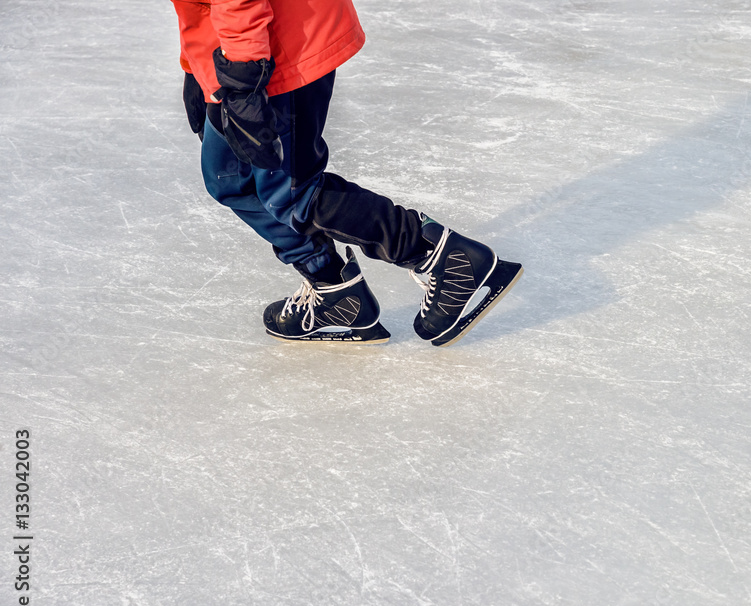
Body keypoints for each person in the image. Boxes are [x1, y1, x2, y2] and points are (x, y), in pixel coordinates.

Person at [169, 0, 522, 347]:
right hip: (230, 51)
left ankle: (446, 258)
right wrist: (195, 64)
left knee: (294, 194)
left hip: (275, 46)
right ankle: (333, 289)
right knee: (229, 178)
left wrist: (244, 82)